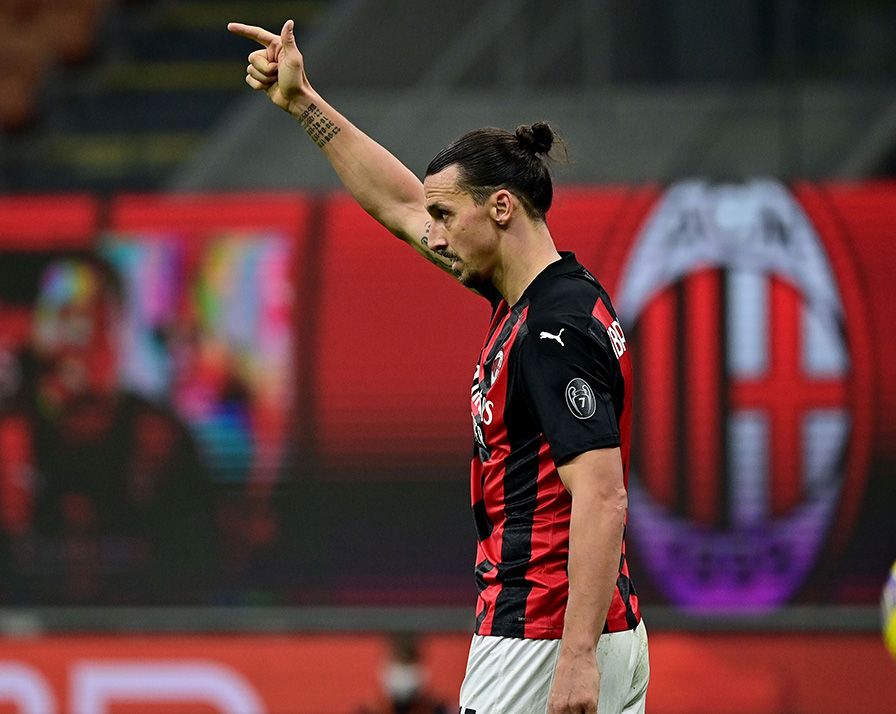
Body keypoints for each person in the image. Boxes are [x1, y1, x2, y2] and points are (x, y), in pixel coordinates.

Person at [228, 20, 648, 714]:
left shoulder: (552, 329)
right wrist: (304, 104)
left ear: (502, 207)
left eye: (448, 215)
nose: (435, 232)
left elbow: (602, 497)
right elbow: (397, 204)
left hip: (540, 637)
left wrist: (573, 661)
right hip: (580, 630)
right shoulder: (537, 296)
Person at [1, 254, 217, 603]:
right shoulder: (13, 439)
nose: (73, 337)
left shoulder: (159, 439)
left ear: (116, 330)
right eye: (59, 316)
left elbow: (198, 570)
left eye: (88, 317)